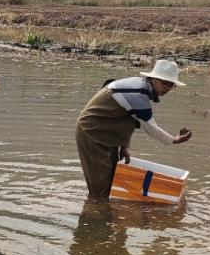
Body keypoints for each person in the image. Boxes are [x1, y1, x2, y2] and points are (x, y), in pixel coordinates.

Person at [75, 59, 192, 200]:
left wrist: (123, 146)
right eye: (164, 83)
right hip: (92, 132)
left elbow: (128, 118)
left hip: (107, 133)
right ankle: (96, 210)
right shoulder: (139, 93)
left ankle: (102, 209)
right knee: (101, 187)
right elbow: (150, 127)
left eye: (171, 85)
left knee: (112, 179)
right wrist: (173, 140)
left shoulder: (143, 89)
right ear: (153, 79)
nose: (167, 88)